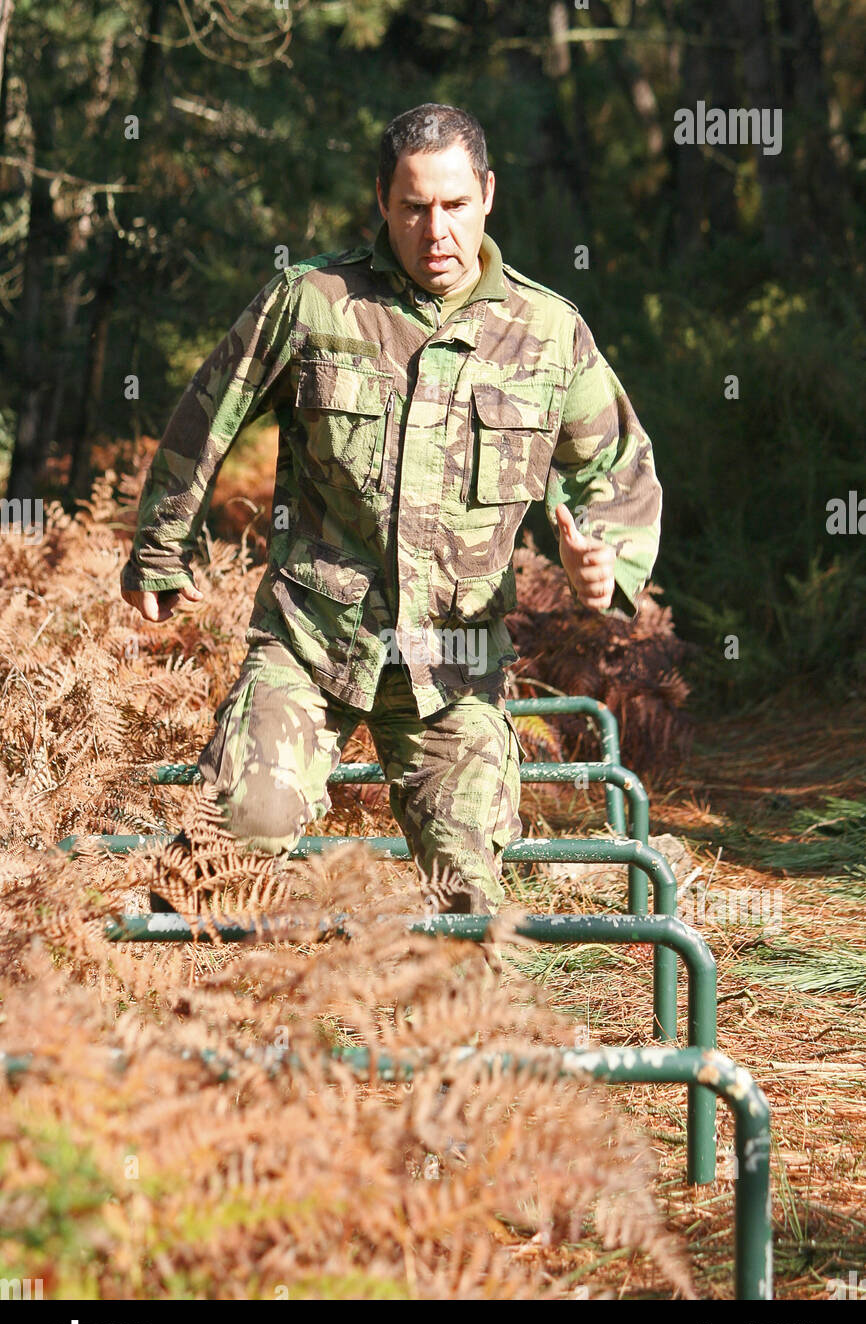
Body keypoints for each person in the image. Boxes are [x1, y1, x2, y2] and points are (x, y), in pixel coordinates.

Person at [120, 102, 662, 915]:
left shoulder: (548, 334)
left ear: (487, 196)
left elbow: (618, 467)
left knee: (471, 899)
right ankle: (154, 1017)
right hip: (311, 643)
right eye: (413, 207)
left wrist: (603, 565)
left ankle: (436, 1036)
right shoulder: (314, 301)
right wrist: (163, 547)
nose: (435, 230)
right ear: (382, 200)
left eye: (453, 205)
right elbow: (209, 409)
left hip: (454, 669)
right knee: (231, 841)